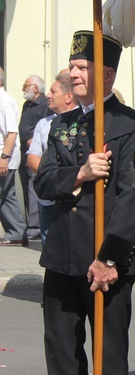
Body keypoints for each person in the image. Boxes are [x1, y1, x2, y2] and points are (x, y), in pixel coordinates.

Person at [34, 30, 135, 375]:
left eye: (81, 67)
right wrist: (81, 173)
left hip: (106, 261)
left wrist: (109, 258)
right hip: (62, 256)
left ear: (106, 73)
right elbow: (44, 181)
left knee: (109, 355)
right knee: (60, 351)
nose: (72, 74)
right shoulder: (62, 123)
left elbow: (134, 196)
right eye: (71, 67)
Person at [27, 72, 77, 244]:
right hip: (47, 198)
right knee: (49, 248)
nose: (47, 95)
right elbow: (32, 158)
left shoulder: (83, 121)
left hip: (73, 198)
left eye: (53, 91)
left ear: (68, 96)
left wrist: (67, 181)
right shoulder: (44, 124)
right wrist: (53, 179)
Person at [19, 74, 49, 240]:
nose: (23, 89)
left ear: (36, 88)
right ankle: (30, 224)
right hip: (25, 152)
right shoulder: (27, 105)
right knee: (26, 188)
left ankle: (34, 227)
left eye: (25, 85)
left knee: (33, 188)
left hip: (36, 152)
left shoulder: (45, 104)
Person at [0, 67, 24, 246]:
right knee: (7, 195)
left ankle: (16, 231)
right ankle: (16, 231)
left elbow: (11, 132)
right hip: (4, 156)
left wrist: (4, 156)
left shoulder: (4, 101)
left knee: (4, 193)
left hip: (4, 156)